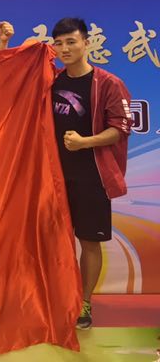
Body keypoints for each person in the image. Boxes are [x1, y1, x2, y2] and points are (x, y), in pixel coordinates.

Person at [50, 17, 131, 330]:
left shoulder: (108, 83)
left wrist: (85, 142)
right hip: (53, 177)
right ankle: (57, 299)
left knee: (89, 242)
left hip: (92, 177)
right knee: (52, 242)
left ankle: (84, 303)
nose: (65, 49)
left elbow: (120, 129)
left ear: (86, 43)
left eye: (71, 42)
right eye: (59, 43)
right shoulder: (51, 81)